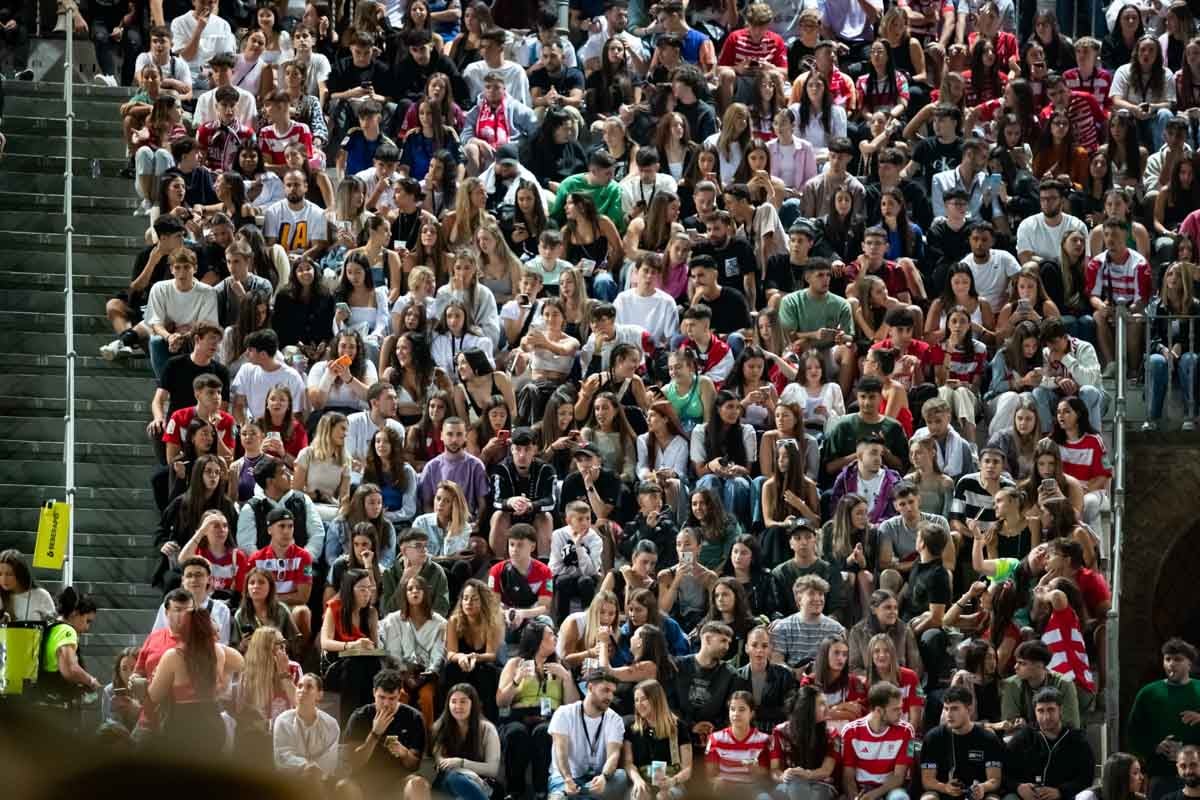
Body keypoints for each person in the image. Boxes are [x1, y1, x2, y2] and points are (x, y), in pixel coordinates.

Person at [498, 620, 579, 799]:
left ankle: (541, 790)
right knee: (516, 733)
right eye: (551, 635)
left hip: (550, 718)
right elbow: (501, 701)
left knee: (544, 733)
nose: (556, 638)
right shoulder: (515, 664)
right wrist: (517, 680)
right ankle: (515, 791)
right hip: (519, 716)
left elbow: (573, 706)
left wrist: (566, 678)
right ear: (537, 640)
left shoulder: (562, 665)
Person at [1129, 639, 1200, 798]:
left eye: (1178, 659)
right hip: (1161, 777)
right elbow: (1132, 734)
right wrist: (1155, 747)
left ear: (1190, 663)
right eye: (1167, 659)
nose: (1171, 664)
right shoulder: (1148, 693)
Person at [342, 668, 427, 795]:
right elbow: (353, 762)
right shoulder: (360, 716)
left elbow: (414, 765)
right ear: (374, 693)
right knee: (343, 786)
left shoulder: (414, 718)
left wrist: (404, 753)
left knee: (418, 784)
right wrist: (375, 734)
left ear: (399, 695)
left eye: (392, 698)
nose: (386, 704)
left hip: (398, 779)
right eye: (381, 697)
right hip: (364, 779)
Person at [1004, 687, 1096, 800]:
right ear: (1035, 712)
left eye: (1051, 710)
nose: (1046, 717)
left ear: (1060, 710)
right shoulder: (1024, 737)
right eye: (1040, 711)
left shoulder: (1077, 740)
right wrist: (1018, 787)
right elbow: (1004, 773)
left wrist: (1060, 791)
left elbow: (1086, 778)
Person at [919, 684, 1005, 800]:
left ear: (969, 709)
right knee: (928, 799)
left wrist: (982, 788)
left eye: (955, 709)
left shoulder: (988, 738)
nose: (949, 714)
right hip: (944, 793)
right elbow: (927, 781)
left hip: (978, 795)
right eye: (946, 708)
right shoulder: (933, 737)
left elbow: (995, 780)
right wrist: (945, 788)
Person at [841, 682, 917, 800]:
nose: (901, 713)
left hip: (890, 789)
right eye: (895, 709)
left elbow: (899, 777)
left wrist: (874, 795)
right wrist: (855, 797)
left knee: (900, 797)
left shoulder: (907, 731)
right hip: (860, 789)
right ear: (879, 710)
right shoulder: (850, 731)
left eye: (901, 708)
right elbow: (848, 775)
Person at [624, 678, 694, 799]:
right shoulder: (632, 728)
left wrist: (672, 781)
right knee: (640, 795)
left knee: (663, 797)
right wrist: (637, 780)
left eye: (644, 699)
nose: (639, 704)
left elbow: (687, 769)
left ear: (656, 700)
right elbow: (628, 763)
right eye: (636, 700)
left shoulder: (678, 727)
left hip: (672, 782)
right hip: (642, 780)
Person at [430, 683, 502, 800]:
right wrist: (467, 772)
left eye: (463, 701)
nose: (458, 706)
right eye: (453, 702)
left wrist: (462, 763)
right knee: (454, 777)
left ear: (473, 704)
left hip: (481, 784)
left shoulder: (487, 729)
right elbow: (441, 763)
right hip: (447, 784)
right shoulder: (440, 728)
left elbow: (492, 769)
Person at [488, 523, 554, 645]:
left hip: (531, 615)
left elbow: (545, 607)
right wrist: (508, 614)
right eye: (511, 544)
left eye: (520, 545)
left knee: (546, 621)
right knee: (490, 622)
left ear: (532, 546)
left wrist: (522, 614)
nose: (514, 549)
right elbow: (493, 605)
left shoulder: (545, 571)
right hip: (505, 615)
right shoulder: (496, 570)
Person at [771, 576, 847, 676]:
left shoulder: (836, 629)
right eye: (811, 593)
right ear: (799, 599)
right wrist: (793, 673)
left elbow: (843, 662)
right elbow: (776, 661)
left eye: (820, 594)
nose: (817, 599)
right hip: (792, 684)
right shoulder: (783, 627)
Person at [675, 622, 737, 744]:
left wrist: (713, 728)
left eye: (729, 643)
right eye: (723, 641)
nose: (727, 647)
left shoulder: (730, 674)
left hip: (715, 738)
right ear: (707, 639)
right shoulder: (678, 666)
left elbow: (730, 710)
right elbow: (668, 703)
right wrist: (690, 725)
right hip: (678, 735)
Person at [273, 673, 341, 780]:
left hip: (321, 781)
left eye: (309, 687)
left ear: (319, 695)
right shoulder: (283, 721)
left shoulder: (331, 724)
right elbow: (282, 756)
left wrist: (314, 772)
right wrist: (305, 766)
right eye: (299, 686)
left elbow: (329, 761)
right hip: (290, 780)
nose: (302, 690)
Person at [0, 550, 55, 622]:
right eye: (0, 574)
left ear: (20, 573)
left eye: (9, 574)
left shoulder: (40, 595)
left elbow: (53, 625)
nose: (4, 579)